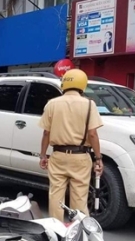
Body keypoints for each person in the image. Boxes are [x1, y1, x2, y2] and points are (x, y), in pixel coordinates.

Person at [39, 69, 104, 221]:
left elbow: (46, 134)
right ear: (82, 85)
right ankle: (79, 231)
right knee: (79, 198)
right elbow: (92, 134)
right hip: (80, 157)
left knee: (56, 195)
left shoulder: (52, 104)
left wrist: (43, 155)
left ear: (64, 84)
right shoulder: (89, 104)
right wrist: (98, 158)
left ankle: (56, 230)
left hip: (58, 155)